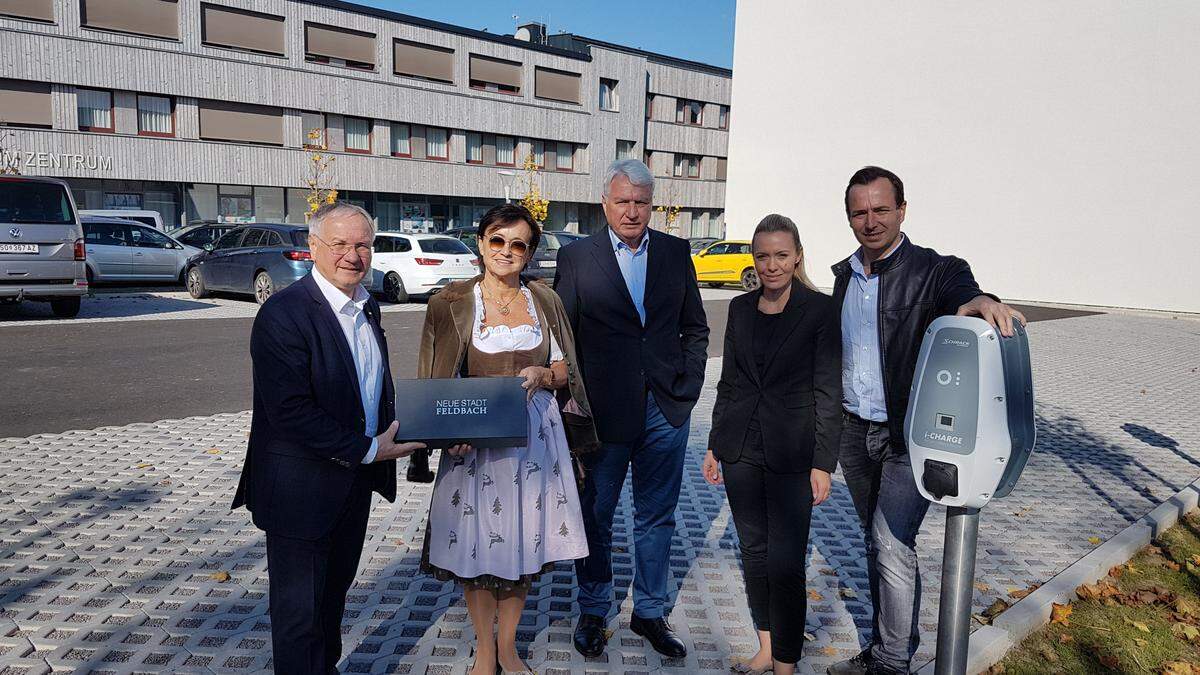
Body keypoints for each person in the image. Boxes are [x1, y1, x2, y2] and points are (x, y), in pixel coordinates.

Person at [827, 167, 1027, 675]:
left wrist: (978, 302)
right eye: (859, 212)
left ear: (902, 210)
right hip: (854, 430)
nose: (870, 221)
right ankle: (883, 645)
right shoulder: (845, 275)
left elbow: (961, 290)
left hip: (903, 436)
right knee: (875, 542)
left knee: (892, 542)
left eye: (880, 209)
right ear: (849, 216)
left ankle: (893, 661)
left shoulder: (934, 269)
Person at [232, 201, 427, 674]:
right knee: (299, 618)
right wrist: (368, 448)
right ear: (313, 247)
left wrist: (422, 427)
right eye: (339, 244)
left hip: (351, 486)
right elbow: (289, 411)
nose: (352, 255)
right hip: (300, 491)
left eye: (362, 245)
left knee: (332, 602)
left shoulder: (366, 303)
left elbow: (371, 385)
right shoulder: (284, 314)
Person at [415, 203, 598, 675]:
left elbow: (568, 368)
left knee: (522, 543)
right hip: (475, 446)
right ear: (480, 243)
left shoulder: (545, 301)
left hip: (535, 442)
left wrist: (544, 374)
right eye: (497, 240)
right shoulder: (450, 302)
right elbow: (434, 376)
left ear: (530, 252)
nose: (506, 251)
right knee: (477, 546)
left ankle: (510, 647)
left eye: (518, 244)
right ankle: (483, 650)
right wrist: (444, 433)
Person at [554, 158, 710, 660]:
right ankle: (595, 609)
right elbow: (564, 336)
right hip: (602, 413)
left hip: (666, 408)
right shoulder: (579, 257)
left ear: (651, 205)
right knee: (595, 514)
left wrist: (687, 388)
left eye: (641, 202)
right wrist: (572, 406)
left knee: (657, 515)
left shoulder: (674, 251)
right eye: (622, 201)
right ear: (606, 203)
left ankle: (649, 611)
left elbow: (695, 327)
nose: (632, 211)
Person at [703, 214, 842, 675]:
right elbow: (730, 382)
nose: (771, 265)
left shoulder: (820, 311)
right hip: (741, 449)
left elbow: (828, 391)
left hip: (792, 454)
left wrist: (823, 463)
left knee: (786, 562)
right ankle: (766, 647)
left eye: (781, 255)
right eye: (763, 256)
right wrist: (715, 444)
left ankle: (786, 662)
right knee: (754, 552)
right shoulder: (741, 310)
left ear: (798, 256)